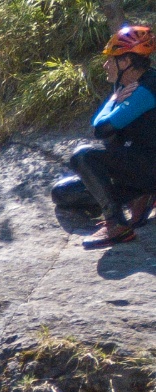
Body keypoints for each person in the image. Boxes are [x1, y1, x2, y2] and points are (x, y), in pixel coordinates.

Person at [71, 24, 156, 248]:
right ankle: (143, 195)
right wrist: (115, 99)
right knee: (65, 193)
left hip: (149, 166)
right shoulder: (127, 86)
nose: (105, 64)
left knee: (83, 156)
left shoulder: (147, 89)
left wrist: (112, 102)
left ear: (126, 62)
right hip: (139, 169)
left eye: (111, 59)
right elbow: (102, 129)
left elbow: (102, 129)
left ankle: (116, 225)